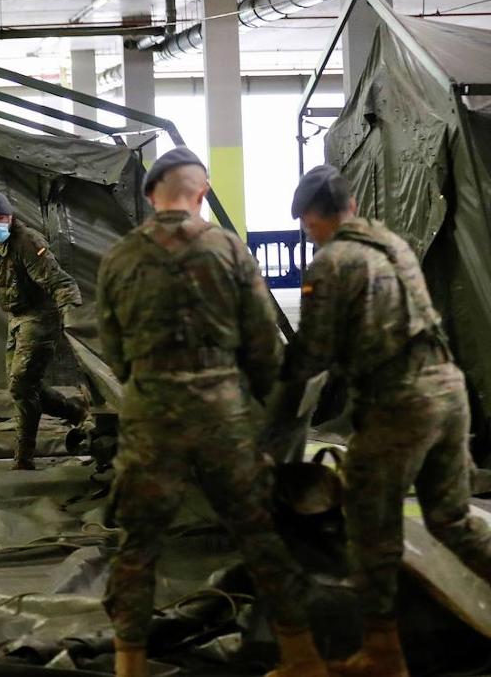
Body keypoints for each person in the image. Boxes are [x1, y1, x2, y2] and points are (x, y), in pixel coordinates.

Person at [96, 147, 323, 677]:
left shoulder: (120, 257)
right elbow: (263, 344)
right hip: (223, 413)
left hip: (151, 411)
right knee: (258, 532)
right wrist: (261, 397)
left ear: (152, 196)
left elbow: (112, 348)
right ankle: (302, 657)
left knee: (138, 541)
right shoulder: (230, 251)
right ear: (200, 193)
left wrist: (147, 381)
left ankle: (130, 663)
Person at [279, 165, 491, 677]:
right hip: (447, 391)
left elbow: (313, 356)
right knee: (451, 519)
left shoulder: (332, 262)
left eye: (307, 226)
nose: (309, 234)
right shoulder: (391, 244)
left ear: (313, 217)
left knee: (368, 524)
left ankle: (383, 652)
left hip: (402, 403)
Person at [0, 189, 90, 469]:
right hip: (15, 316)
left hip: (40, 315)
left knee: (21, 384)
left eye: (1, 218)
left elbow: (59, 281)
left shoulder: (27, 241)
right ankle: (75, 411)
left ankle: (24, 456)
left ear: (10, 217)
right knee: (21, 386)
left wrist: (71, 314)